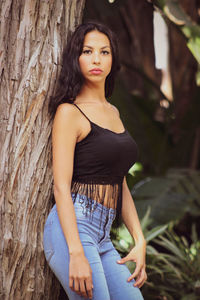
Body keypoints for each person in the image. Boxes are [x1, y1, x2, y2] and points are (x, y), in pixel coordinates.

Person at [43, 21, 147, 300]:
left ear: (113, 59)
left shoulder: (113, 112)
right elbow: (61, 188)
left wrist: (139, 239)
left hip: (103, 235)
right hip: (72, 230)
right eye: (88, 51)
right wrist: (75, 252)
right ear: (76, 58)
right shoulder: (69, 112)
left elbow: (119, 180)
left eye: (104, 52)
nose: (97, 59)